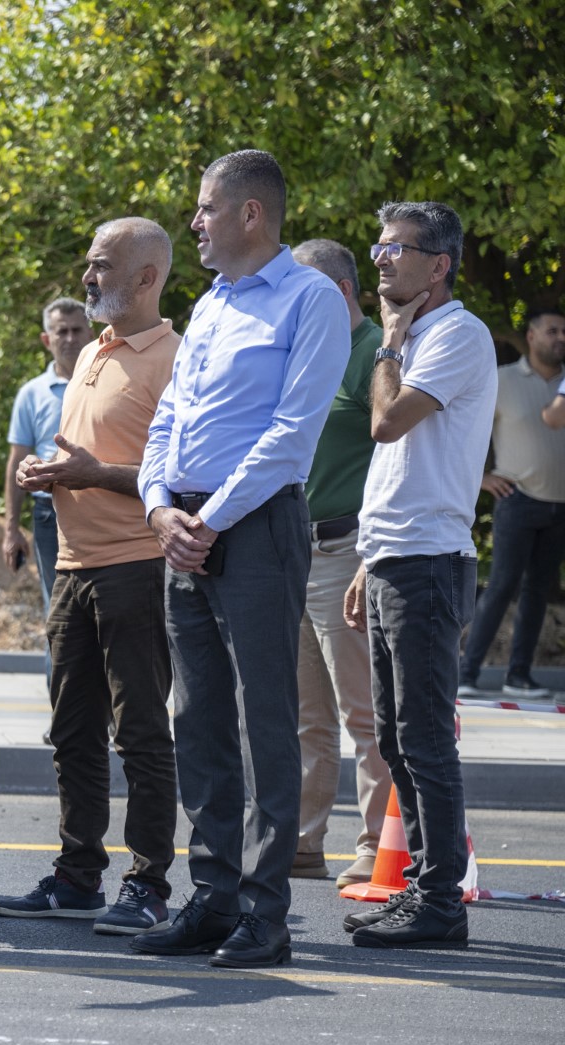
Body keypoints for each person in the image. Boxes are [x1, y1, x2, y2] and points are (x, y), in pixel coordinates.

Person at [133, 149, 349, 967]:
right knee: (197, 720)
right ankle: (213, 897)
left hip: (253, 526)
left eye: (206, 208)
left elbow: (291, 437)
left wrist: (209, 520)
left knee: (266, 720)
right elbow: (168, 423)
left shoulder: (309, 300)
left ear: (250, 214)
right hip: (185, 523)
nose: (195, 222)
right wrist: (161, 509)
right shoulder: (212, 304)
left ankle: (266, 912)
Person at [0, 218, 180, 934]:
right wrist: (56, 476)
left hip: (138, 567)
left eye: (101, 265)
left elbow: (183, 478)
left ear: (145, 276)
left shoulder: (174, 358)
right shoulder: (93, 351)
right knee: (71, 732)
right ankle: (78, 875)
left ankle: (149, 884)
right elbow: (87, 456)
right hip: (71, 568)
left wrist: (92, 474)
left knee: (140, 735)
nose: (87, 277)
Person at [342, 201, 497, 950]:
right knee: (398, 741)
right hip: (395, 558)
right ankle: (425, 890)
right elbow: (399, 464)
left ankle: (440, 903)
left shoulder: (456, 334)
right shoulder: (422, 335)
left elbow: (386, 424)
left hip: (431, 563)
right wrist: (369, 560)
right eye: (378, 246)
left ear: (438, 265)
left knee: (425, 739)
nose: (380, 259)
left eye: (396, 249)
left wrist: (391, 344)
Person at [289, 238, 389, 887]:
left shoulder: (375, 354)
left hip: (347, 549)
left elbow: (394, 459)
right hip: (294, 548)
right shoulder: (306, 353)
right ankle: (302, 843)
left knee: (364, 713)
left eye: (306, 294)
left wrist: (369, 556)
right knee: (305, 715)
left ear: (344, 292)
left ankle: (379, 843)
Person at [458, 307, 565, 701]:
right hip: (517, 500)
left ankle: (518, 676)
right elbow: (465, 430)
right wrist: (480, 478)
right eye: (552, 330)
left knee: (538, 591)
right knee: (501, 585)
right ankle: (466, 673)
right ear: (532, 336)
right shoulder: (501, 380)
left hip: (560, 506)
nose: (561, 338)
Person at [4, 299, 92, 627]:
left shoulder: (109, 382)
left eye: (76, 330)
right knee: (58, 614)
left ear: (91, 333)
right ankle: (56, 681)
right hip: (48, 515)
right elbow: (17, 460)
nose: (70, 339)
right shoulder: (32, 394)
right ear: (47, 340)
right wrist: (11, 530)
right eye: (61, 332)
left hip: (102, 506)